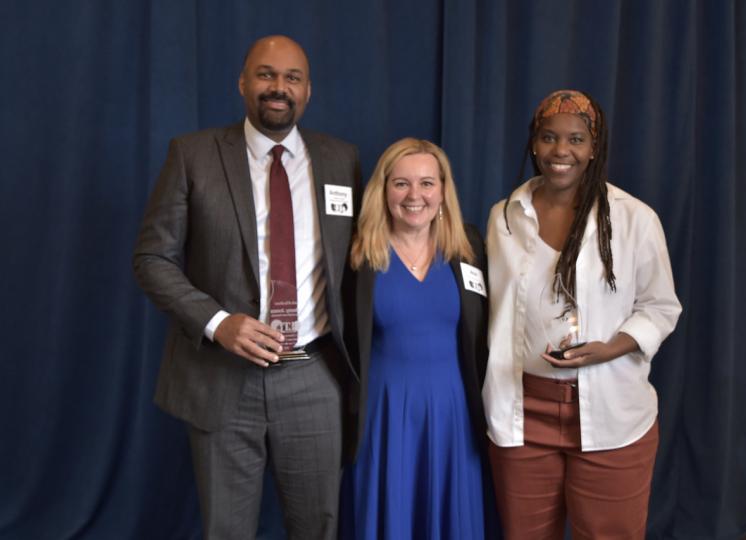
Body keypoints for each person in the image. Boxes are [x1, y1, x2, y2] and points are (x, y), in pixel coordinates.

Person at [133, 35, 361, 539]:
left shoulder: (342, 161)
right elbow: (152, 258)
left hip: (313, 375)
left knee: (318, 527)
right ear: (242, 83)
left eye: (291, 78)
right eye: (265, 75)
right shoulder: (192, 155)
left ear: (308, 92)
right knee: (227, 530)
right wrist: (217, 323)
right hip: (221, 377)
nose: (278, 88)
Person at [483, 90, 682, 539]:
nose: (561, 151)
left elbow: (660, 306)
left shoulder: (634, 220)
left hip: (612, 412)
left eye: (575, 139)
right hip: (522, 413)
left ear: (594, 148)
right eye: (549, 137)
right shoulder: (504, 218)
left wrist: (612, 347)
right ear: (534, 143)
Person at [340, 138, 490, 539]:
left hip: (453, 413)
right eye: (401, 183)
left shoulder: (469, 248)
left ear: (443, 191)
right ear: (383, 189)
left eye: (427, 183)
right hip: (383, 414)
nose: (414, 195)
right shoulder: (356, 254)